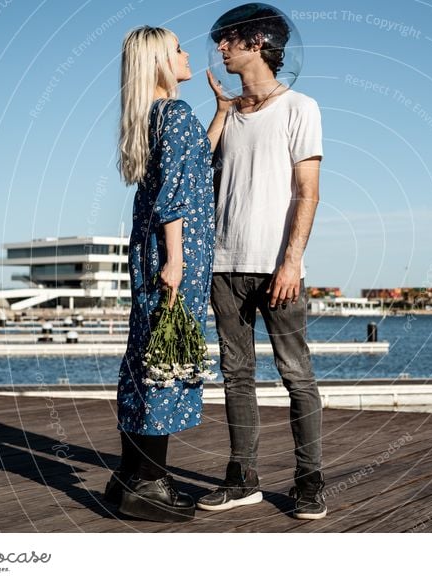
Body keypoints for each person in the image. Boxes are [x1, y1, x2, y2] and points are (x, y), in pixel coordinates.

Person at [197, 6, 327, 520]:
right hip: (223, 266)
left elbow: (308, 192)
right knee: (236, 375)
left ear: (255, 42)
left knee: (296, 374)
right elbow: (199, 175)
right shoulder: (228, 115)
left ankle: (310, 481)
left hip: (278, 267)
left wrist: (291, 262)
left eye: (227, 40)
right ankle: (243, 478)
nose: (220, 49)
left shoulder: (300, 107)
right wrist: (222, 113)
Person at [105, 26, 215, 523]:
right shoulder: (175, 113)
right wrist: (177, 261)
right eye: (178, 49)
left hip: (151, 252)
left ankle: (129, 476)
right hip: (175, 256)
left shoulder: (154, 117)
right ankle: (150, 483)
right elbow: (176, 194)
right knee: (166, 362)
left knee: (147, 356)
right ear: (158, 63)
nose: (187, 54)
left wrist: (221, 118)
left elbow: (190, 167)